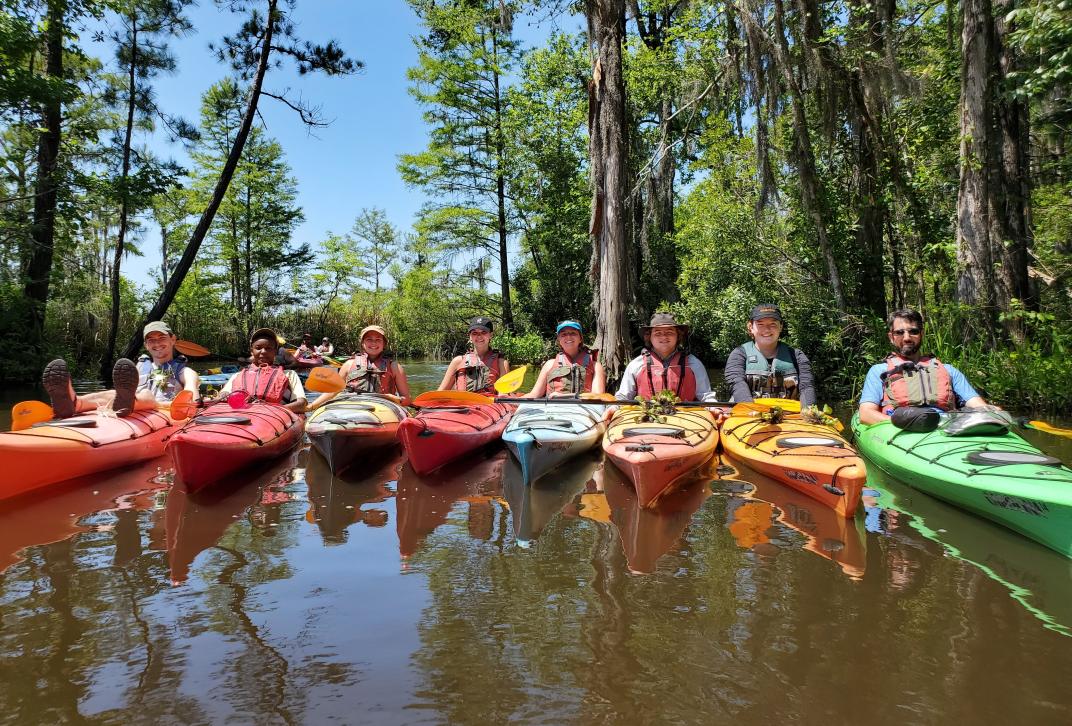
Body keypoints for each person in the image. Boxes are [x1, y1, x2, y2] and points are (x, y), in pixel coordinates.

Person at [857, 308, 991, 425]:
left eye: (913, 331)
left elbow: (978, 405)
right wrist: (909, 422)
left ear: (922, 334)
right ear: (891, 337)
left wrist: (992, 412)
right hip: (901, 426)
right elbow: (866, 414)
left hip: (945, 425)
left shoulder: (949, 370)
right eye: (899, 332)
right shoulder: (879, 371)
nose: (907, 338)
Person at [42, 321, 200, 418]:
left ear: (173, 340)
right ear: (146, 345)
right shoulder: (139, 368)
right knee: (114, 393)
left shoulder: (185, 371)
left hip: (163, 410)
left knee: (146, 395)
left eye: (162, 338)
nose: (156, 343)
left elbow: (192, 397)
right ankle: (75, 403)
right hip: (133, 406)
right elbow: (122, 392)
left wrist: (182, 404)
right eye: (151, 340)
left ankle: (130, 403)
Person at [615, 312, 720, 404]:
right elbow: (623, 397)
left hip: (685, 419)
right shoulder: (636, 365)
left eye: (669, 332)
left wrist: (714, 408)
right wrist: (613, 408)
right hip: (647, 418)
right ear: (649, 337)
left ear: (678, 336)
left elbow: (706, 397)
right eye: (658, 333)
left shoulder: (694, 364)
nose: (664, 337)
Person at [724, 304, 816, 407]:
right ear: (751, 327)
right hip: (749, 414)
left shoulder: (797, 356)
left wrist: (808, 412)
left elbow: (807, 386)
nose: (767, 329)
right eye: (760, 324)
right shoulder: (738, 355)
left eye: (773, 324)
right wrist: (751, 410)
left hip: (788, 417)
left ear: (780, 326)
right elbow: (737, 384)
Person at [309, 325, 412, 408]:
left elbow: (407, 399)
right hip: (352, 406)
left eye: (378, 339)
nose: (374, 343)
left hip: (383, 407)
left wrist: (394, 399)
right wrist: (312, 406)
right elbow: (333, 392)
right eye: (369, 339)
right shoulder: (348, 365)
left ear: (384, 343)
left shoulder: (394, 367)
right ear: (362, 343)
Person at [216, 327, 308, 413]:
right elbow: (223, 394)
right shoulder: (237, 376)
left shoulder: (289, 375)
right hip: (241, 415)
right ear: (252, 351)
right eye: (258, 348)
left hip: (273, 417)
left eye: (268, 348)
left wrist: (273, 410)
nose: (263, 352)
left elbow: (301, 404)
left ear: (275, 351)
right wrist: (223, 395)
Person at [524, 320, 606, 398]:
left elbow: (598, 396)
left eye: (573, 333)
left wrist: (564, 396)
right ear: (559, 340)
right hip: (554, 408)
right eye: (563, 334)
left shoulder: (596, 366)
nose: (568, 337)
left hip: (584, 409)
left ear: (580, 339)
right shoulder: (549, 365)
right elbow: (534, 394)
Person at [437, 316, 510, 394]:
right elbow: (441, 392)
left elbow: (503, 394)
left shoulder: (501, 363)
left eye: (483, 332)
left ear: (491, 335)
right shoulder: (457, 362)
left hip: (488, 405)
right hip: (463, 404)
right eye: (474, 333)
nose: (479, 336)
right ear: (470, 336)